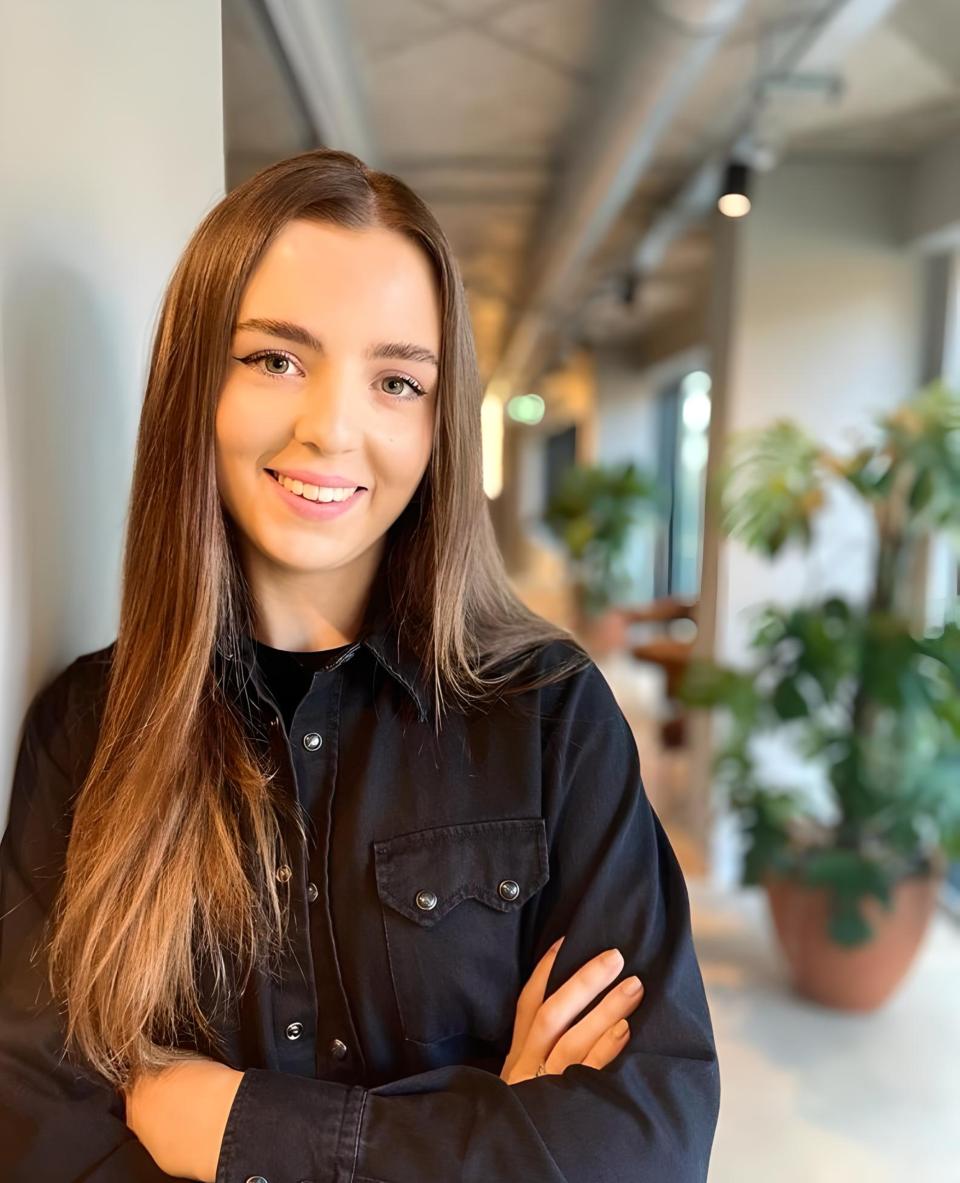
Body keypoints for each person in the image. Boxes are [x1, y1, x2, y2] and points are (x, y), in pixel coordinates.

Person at [0, 147, 720, 1182]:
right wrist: (486, 1126)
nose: (332, 427)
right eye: (275, 359)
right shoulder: (85, 731)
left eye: (396, 380)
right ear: (196, 381)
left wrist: (242, 1128)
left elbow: (645, 1141)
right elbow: (40, 1135)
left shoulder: (549, 713)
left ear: (439, 424)